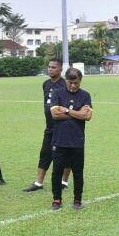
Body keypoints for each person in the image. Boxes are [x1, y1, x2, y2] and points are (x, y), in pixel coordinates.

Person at [22, 58, 71, 192]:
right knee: (45, 153)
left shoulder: (65, 85)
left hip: (63, 128)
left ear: (61, 69)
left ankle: (64, 182)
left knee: (65, 156)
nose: (50, 69)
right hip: (49, 127)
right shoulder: (45, 84)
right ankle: (38, 183)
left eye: (54, 67)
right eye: (49, 67)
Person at [48, 67, 92, 210]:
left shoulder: (85, 95)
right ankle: (57, 199)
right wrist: (77, 113)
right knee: (57, 172)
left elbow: (87, 116)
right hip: (59, 140)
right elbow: (55, 115)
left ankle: (77, 200)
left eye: (76, 83)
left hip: (77, 141)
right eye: (70, 82)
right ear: (66, 80)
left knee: (78, 172)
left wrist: (66, 110)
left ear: (80, 81)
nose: (73, 86)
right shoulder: (57, 93)